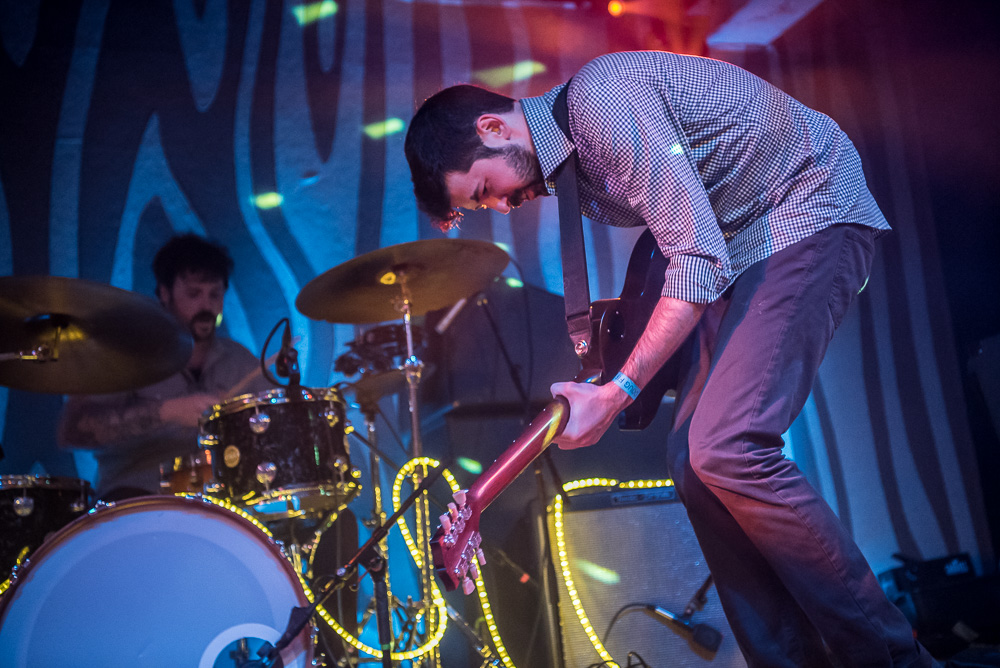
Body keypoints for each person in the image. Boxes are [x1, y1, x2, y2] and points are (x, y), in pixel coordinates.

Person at [405, 51, 936, 666]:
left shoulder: (604, 105)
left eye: (483, 189)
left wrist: (621, 389)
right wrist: (606, 381)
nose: (499, 206)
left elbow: (697, 255)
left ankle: (896, 660)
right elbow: (680, 249)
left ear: (493, 129)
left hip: (805, 208)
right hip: (745, 246)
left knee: (728, 447)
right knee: (690, 461)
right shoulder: (578, 166)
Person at [59, 234, 267, 501]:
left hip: (224, 501)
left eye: (215, 294)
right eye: (194, 294)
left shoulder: (239, 360)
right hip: (137, 497)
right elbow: (74, 430)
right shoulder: (127, 356)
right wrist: (167, 412)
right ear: (165, 293)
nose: (207, 305)